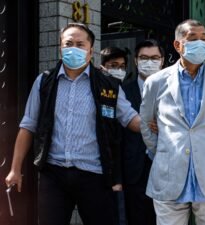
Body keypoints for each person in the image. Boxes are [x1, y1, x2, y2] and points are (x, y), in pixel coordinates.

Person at [5, 23, 140, 225]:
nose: (74, 48)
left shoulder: (108, 84)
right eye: (69, 43)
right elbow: (28, 125)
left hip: (94, 175)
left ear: (90, 50)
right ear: (61, 47)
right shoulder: (44, 82)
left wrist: (158, 121)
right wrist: (15, 169)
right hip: (54, 174)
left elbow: (130, 118)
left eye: (80, 44)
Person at [140, 19, 205, 225]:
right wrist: (162, 151)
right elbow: (146, 123)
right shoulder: (156, 82)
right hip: (169, 176)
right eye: (193, 38)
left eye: (204, 38)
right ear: (178, 45)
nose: (200, 43)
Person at [121, 39, 164, 225]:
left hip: (165, 168)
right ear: (136, 61)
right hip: (134, 170)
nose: (149, 62)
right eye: (144, 58)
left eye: (154, 58)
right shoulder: (122, 91)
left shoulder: (175, 90)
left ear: (162, 61)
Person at [100, 46, 131, 225]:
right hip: (107, 171)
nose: (119, 70)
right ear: (103, 66)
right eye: (114, 65)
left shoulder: (122, 90)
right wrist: (115, 177)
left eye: (122, 66)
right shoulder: (100, 89)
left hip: (126, 169)